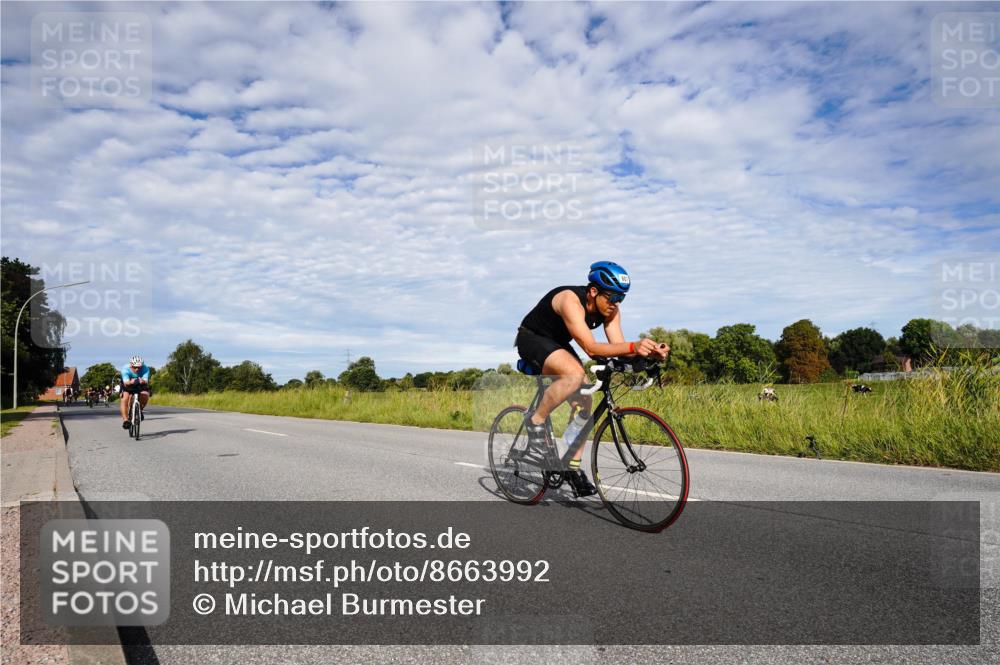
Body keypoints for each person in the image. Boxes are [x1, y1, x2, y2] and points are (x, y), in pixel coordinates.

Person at [515, 261, 669, 497]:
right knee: (575, 375)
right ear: (594, 291)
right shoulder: (570, 300)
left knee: (584, 402)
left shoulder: (611, 310)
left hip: (558, 343)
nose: (616, 303)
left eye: (622, 298)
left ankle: (571, 466)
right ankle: (535, 422)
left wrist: (648, 353)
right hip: (532, 337)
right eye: (613, 297)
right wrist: (632, 346)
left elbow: (620, 346)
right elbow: (591, 348)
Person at [119, 355, 151, 429]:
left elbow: (146, 381)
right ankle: (126, 420)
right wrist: (131, 382)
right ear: (131, 365)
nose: (137, 369)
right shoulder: (125, 369)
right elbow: (126, 383)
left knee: (145, 395)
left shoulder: (145, 369)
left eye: (139, 367)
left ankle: (139, 410)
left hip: (140, 384)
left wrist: (143, 381)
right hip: (128, 384)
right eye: (135, 367)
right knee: (125, 398)